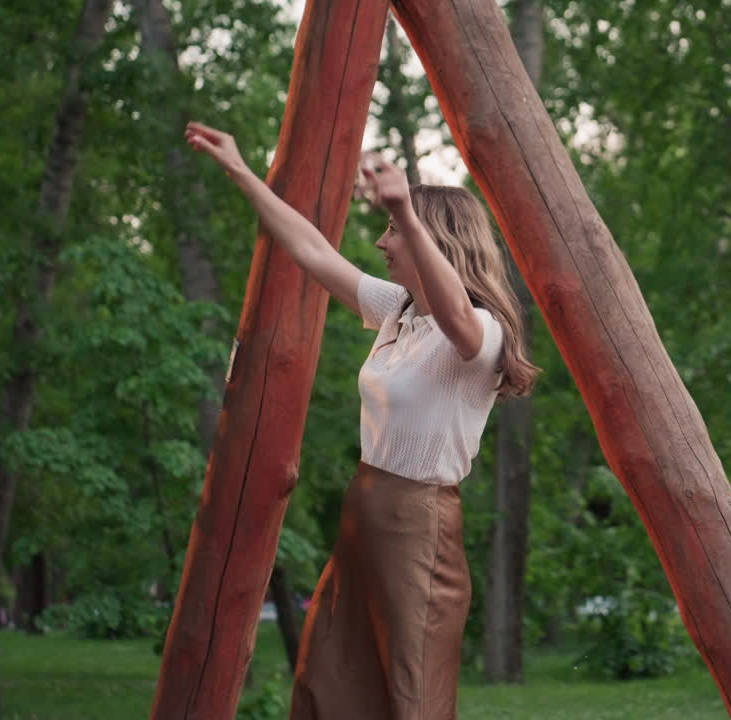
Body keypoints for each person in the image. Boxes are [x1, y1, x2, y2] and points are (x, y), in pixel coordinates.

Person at [184, 121, 538, 719]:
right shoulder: (398, 310)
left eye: (393, 230)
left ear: (437, 241)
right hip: (363, 516)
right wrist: (242, 172)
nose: (382, 242)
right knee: (331, 679)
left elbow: (455, 309)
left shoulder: (479, 335)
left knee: (410, 696)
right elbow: (312, 250)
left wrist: (406, 203)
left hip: (418, 529)